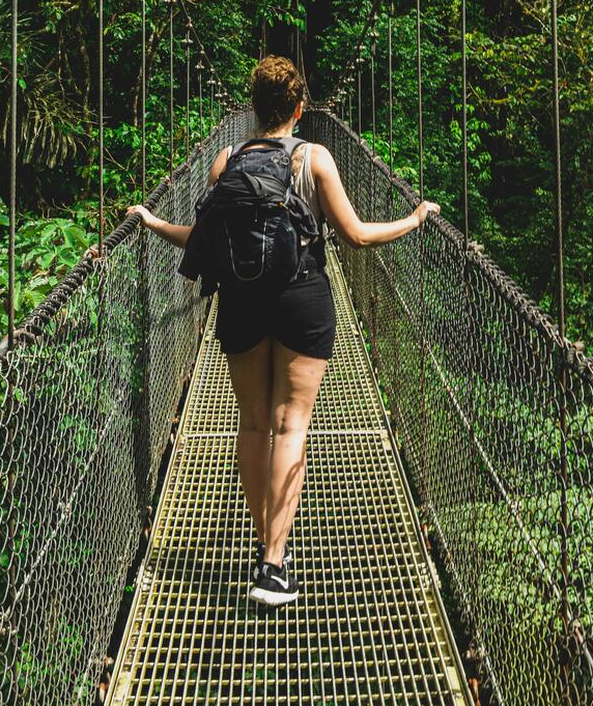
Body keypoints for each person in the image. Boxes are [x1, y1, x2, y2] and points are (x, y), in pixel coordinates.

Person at [128, 55, 440, 607]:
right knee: (290, 424)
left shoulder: (227, 160)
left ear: (252, 108)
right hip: (302, 297)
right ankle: (274, 562)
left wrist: (152, 222)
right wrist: (415, 219)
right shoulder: (314, 158)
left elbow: (201, 241)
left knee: (252, 426)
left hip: (240, 301)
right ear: (299, 108)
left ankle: (263, 544)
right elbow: (357, 237)